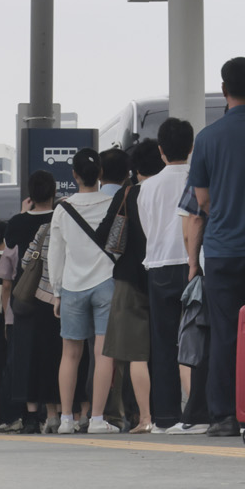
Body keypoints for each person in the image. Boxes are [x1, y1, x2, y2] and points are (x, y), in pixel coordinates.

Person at [188, 57, 245, 438]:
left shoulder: (206, 138)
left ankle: (223, 415)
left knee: (224, 334)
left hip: (221, 250)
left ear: (224, 91)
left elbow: (201, 201)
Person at [49, 149, 119, 434]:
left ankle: (66, 418)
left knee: (70, 354)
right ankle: (98, 419)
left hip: (72, 286)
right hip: (106, 282)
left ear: (74, 175)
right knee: (104, 354)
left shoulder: (62, 209)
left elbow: (56, 254)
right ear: (100, 173)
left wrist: (56, 292)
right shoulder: (114, 203)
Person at [143, 118, 204, 435]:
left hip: (158, 267)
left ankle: (164, 417)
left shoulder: (148, 186)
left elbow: (146, 227)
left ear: (161, 150)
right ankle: (197, 411)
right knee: (198, 339)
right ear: (192, 146)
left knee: (164, 344)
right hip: (192, 264)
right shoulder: (198, 179)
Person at [105, 139, 160, 433]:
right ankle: (177, 413)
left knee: (136, 353)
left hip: (130, 278)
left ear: (135, 168)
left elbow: (105, 233)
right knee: (170, 347)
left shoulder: (129, 193)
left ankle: (145, 418)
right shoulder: (170, 189)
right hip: (166, 273)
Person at [3, 172, 61, 432]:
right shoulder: (60, 218)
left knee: (25, 355)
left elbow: (8, 265)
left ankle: (29, 416)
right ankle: (54, 412)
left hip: (24, 298)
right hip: (53, 296)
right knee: (53, 354)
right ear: (54, 192)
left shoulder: (15, 223)